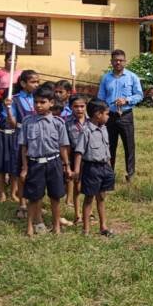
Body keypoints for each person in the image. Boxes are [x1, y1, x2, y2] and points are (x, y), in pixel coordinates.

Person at [18, 84, 72, 237]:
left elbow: (63, 147)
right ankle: (30, 226)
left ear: (51, 103)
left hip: (53, 162)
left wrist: (67, 166)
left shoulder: (58, 123)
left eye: (42, 102)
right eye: (36, 102)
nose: (38, 106)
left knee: (55, 197)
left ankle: (56, 226)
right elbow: (24, 147)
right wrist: (25, 168)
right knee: (33, 197)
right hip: (35, 163)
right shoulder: (28, 122)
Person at [97, 50, 143, 183]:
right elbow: (101, 98)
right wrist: (102, 111)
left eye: (121, 60)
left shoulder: (132, 77)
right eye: (115, 60)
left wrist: (127, 100)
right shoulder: (106, 78)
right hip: (109, 116)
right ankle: (109, 175)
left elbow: (139, 95)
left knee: (129, 145)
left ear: (125, 61)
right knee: (109, 146)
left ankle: (130, 174)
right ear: (111, 61)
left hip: (126, 116)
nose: (118, 62)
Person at [73, 99, 115, 236]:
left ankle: (103, 226)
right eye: (107, 114)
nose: (108, 117)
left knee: (102, 197)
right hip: (91, 168)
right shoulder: (86, 131)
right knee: (89, 198)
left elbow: (106, 149)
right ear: (98, 114)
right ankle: (86, 229)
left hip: (104, 167)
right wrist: (77, 171)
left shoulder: (104, 129)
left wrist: (109, 168)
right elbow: (79, 152)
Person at [11, 70, 40, 218]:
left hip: (37, 138)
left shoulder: (39, 98)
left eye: (37, 82)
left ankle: (35, 202)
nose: (36, 85)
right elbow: (12, 123)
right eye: (33, 82)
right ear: (23, 83)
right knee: (22, 171)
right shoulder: (14, 100)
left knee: (36, 171)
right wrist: (8, 110)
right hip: (21, 138)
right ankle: (22, 204)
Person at [0, 93, 18, 202]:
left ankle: (13, 193)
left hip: (13, 137)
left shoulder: (15, 108)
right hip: (0, 137)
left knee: (14, 167)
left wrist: (9, 110)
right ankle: (2, 193)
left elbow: (14, 124)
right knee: (0, 166)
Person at [64, 94, 88, 225]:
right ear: (70, 107)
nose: (79, 109)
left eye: (82, 106)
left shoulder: (92, 122)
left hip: (90, 158)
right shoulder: (67, 124)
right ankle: (78, 215)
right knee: (77, 187)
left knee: (91, 188)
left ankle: (89, 213)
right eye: (76, 106)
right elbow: (66, 146)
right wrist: (66, 164)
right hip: (75, 158)